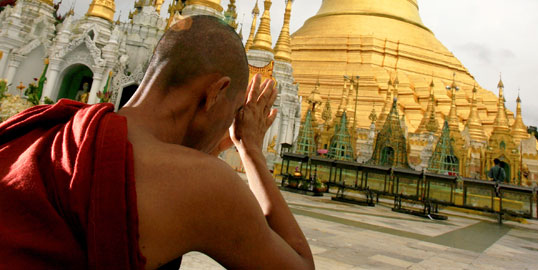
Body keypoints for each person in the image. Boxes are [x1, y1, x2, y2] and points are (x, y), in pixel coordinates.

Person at [0, 15, 315, 270]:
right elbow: (300, 266)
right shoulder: (204, 184)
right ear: (216, 93)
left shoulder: (55, 129)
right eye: (232, 113)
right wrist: (251, 150)